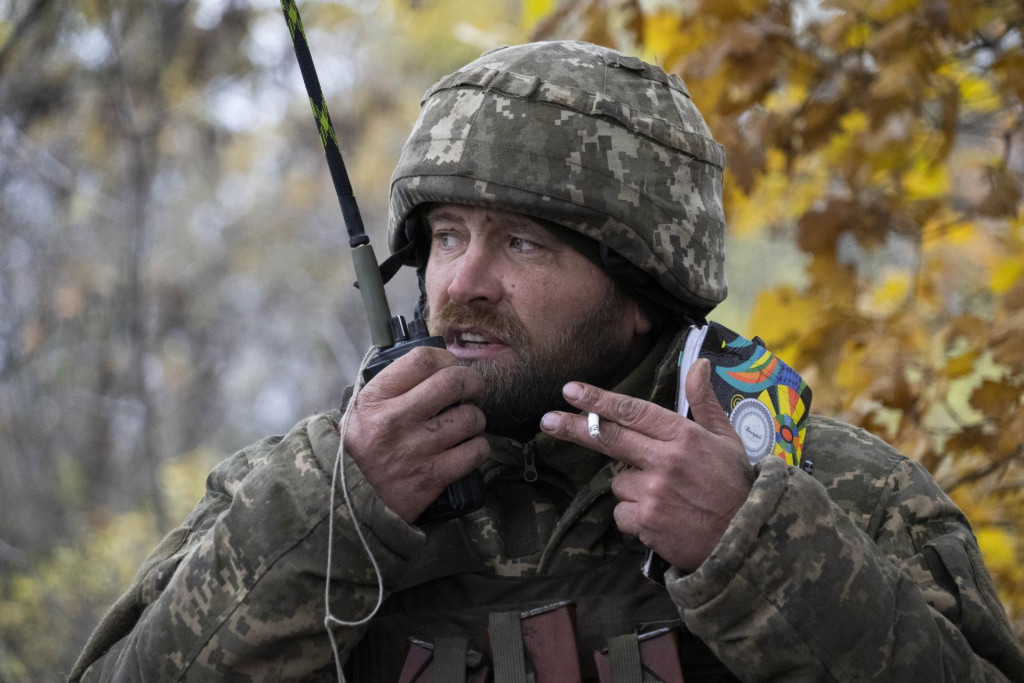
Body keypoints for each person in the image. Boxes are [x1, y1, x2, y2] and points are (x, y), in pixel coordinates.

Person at [71, 40, 1024, 682]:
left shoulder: (830, 491)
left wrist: (757, 552)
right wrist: (329, 522)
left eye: (523, 245)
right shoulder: (302, 497)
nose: (464, 284)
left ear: (642, 287)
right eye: (448, 236)